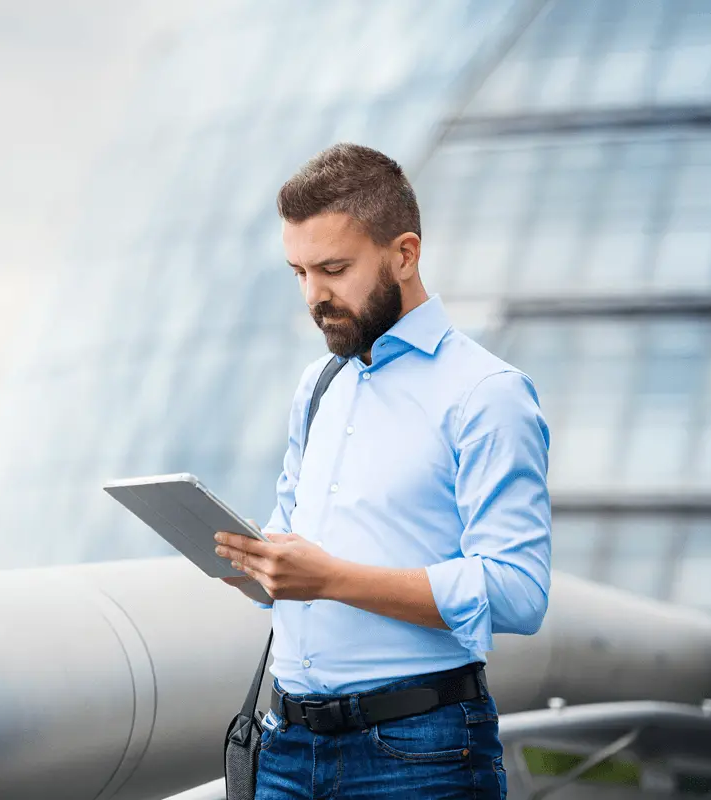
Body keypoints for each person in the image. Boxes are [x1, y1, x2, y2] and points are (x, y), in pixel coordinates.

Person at [214, 143, 551, 798]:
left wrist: (332, 579)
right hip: (285, 745)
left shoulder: (486, 393)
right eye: (299, 272)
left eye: (334, 269)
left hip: (418, 755)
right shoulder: (319, 385)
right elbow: (295, 556)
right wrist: (257, 567)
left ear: (404, 254)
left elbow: (519, 591)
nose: (314, 296)